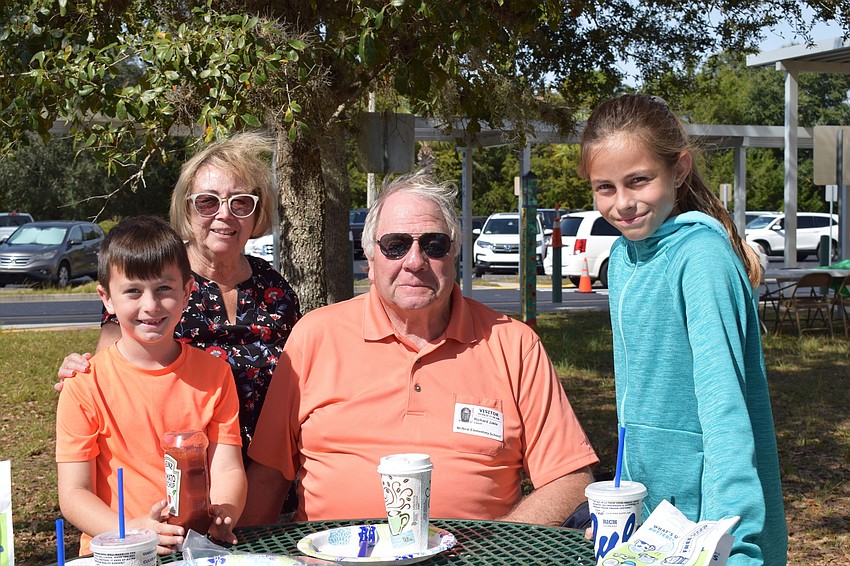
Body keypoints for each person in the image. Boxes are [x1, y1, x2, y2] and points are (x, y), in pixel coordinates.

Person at [242, 170, 598, 527]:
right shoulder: (316, 337)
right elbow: (269, 475)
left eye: (433, 245)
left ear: (455, 253)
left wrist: (498, 550)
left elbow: (569, 479)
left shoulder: (513, 344)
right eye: (396, 245)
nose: (415, 261)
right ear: (370, 259)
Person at [578, 94, 787, 564]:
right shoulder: (624, 261)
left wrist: (737, 547)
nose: (624, 203)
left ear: (680, 169)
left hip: (713, 537)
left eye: (639, 180)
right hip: (651, 526)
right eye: (604, 187)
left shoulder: (701, 259)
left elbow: (726, 418)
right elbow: (636, 411)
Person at [57, 132, 302, 461]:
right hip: (174, 476)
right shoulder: (153, 281)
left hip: (270, 475)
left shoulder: (275, 288)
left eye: (240, 201)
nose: (225, 214)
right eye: (208, 201)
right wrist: (79, 374)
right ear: (187, 209)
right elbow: (111, 384)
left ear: (257, 213)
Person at [56, 216, 246, 556]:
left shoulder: (216, 375)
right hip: (114, 551)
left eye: (163, 289)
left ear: (187, 291)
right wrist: (133, 531)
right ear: (107, 298)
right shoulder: (84, 384)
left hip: (196, 549)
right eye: (132, 291)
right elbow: (74, 494)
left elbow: (227, 465)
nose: (150, 306)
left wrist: (225, 510)